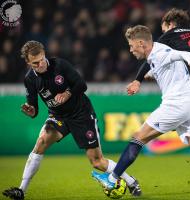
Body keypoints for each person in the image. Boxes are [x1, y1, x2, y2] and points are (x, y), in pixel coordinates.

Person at [92, 25, 190, 200]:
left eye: (131, 46)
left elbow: (184, 55)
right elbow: (167, 64)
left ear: (141, 43)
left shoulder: (160, 52)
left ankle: (113, 178)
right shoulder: (157, 54)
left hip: (176, 104)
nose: (130, 50)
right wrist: (147, 76)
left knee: (138, 137)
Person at [2, 41, 141, 200]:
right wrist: (31, 111)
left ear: (44, 54)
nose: (40, 64)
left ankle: (131, 182)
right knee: (41, 142)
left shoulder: (60, 65)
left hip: (81, 114)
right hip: (58, 116)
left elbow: (82, 85)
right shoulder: (30, 79)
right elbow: (34, 108)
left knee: (97, 162)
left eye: (41, 59)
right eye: (35, 63)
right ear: (28, 63)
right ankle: (21, 191)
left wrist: (67, 94)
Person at [126, 8, 190, 179]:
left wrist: (138, 79)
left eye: (163, 28)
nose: (162, 32)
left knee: (180, 107)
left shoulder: (171, 35)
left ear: (170, 24)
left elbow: (152, 56)